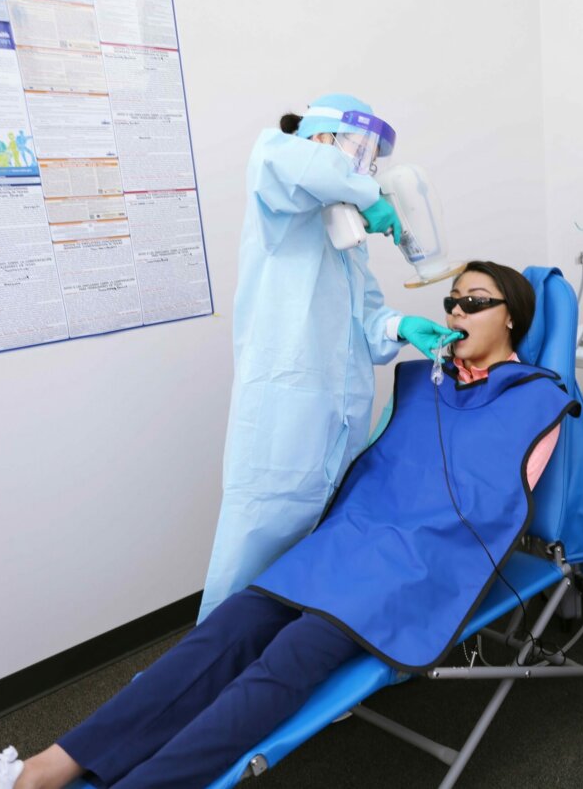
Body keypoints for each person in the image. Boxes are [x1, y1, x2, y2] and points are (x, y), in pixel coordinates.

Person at [0, 262, 577, 789]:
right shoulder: (422, 382)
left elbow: (491, 506)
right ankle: (43, 770)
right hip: (351, 542)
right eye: (452, 300)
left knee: (289, 657)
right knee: (226, 630)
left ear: (511, 319)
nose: (455, 312)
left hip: (418, 563)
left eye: (475, 301)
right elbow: (381, 468)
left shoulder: (537, 399)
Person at [198, 93, 463, 621]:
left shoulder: (346, 236)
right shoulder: (279, 188)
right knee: (249, 557)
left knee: (317, 554)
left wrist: (401, 325)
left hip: (334, 423)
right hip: (282, 422)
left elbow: (363, 320)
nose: (367, 167)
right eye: (360, 152)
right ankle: (205, 675)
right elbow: (288, 161)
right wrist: (365, 192)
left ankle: (294, 672)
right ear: (322, 138)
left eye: (372, 160)